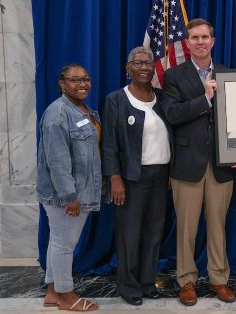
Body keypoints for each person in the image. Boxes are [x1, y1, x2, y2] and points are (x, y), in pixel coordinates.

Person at [162, 18, 236, 306]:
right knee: (187, 227)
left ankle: (219, 279)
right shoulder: (174, 76)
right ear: (187, 42)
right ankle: (187, 281)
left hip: (222, 165)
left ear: (213, 41)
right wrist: (205, 98)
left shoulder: (228, 74)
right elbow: (172, 114)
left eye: (205, 36)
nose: (201, 42)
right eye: (195, 37)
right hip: (186, 164)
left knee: (217, 225)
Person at [101, 47, 171, 306]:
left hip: (161, 176)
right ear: (127, 68)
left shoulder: (162, 98)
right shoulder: (116, 100)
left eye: (148, 63)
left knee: (154, 232)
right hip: (131, 179)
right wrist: (114, 178)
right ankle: (129, 286)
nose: (144, 67)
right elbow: (109, 144)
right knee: (129, 235)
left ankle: (147, 281)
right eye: (138, 63)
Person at [37, 64, 100, 312]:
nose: (82, 84)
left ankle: (53, 291)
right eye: (75, 80)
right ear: (62, 83)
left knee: (58, 241)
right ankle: (66, 296)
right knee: (64, 246)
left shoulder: (82, 110)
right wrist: (69, 197)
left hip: (80, 191)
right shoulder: (58, 114)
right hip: (66, 196)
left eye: (86, 78)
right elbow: (58, 162)